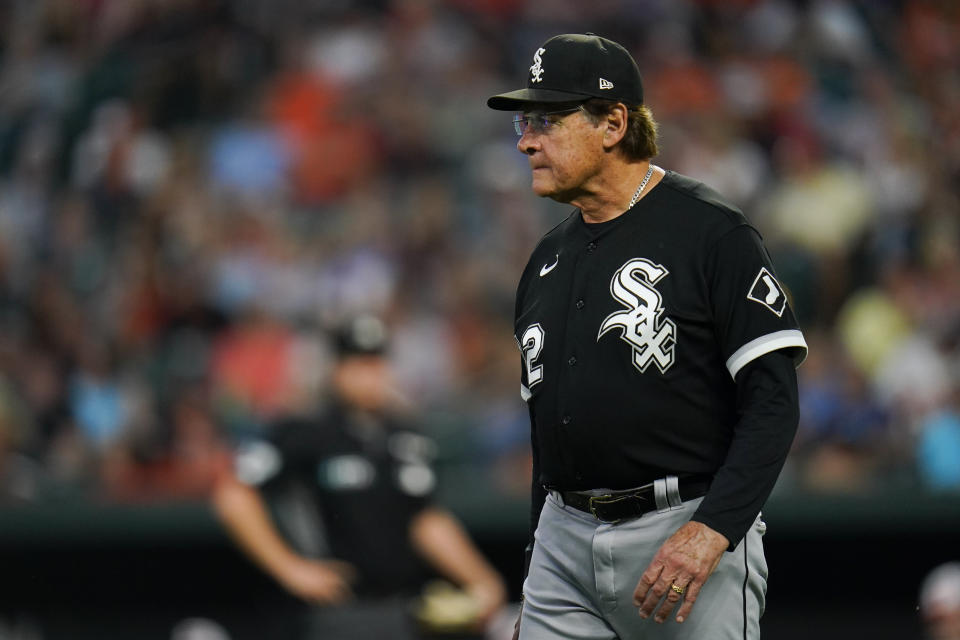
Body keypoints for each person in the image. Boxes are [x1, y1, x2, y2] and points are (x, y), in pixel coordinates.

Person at [487, 33, 808, 639]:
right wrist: (537, 562)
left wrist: (715, 528)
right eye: (524, 122)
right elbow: (549, 432)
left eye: (548, 120)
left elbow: (772, 400)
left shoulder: (711, 233)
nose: (527, 140)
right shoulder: (545, 260)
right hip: (564, 539)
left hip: (684, 525)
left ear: (612, 124)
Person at [212, 314, 506, 639]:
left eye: (376, 362)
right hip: (336, 610)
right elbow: (234, 494)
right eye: (358, 363)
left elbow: (424, 519)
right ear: (336, 368)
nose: (370, 374)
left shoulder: (406, 436)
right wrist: (289, 568)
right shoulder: (307, 431)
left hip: (404, 605)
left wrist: (481, 579)